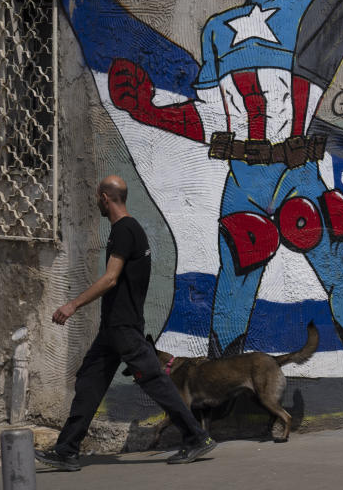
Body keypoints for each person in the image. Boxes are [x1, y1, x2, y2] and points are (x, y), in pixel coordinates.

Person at [108, 0, 343, 413]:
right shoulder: (216, 30)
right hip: (244, 176)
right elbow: (211, 119)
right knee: (232, 291)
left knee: (341, 270)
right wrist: (150, 111)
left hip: (300, 173)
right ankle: (225, 401)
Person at [34, 175, 217, 471]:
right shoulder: (131, 230)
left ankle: (196, 437)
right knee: (90, 381)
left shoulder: (124, 230)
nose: (97, 203)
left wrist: (73, 304)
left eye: (98, 198)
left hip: (123, 326)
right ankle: (67, 449)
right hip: (114, 328)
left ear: (105, 198)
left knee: (156, 381)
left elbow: (110, 278)